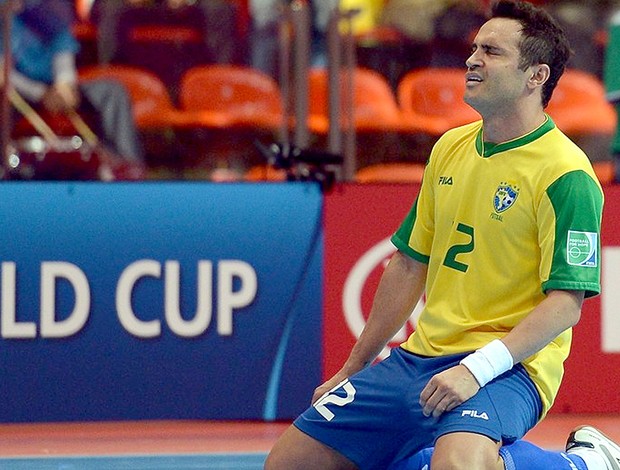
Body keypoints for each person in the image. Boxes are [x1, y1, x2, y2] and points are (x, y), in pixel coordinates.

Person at [265, 2, 619, 470]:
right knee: (288, 465)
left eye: (491, 51)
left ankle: (584, 464)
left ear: (536, 75)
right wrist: (353, 368)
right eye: (474, 48)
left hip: (509, 368)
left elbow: (566, 304)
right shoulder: (450, 147)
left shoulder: (566, 172)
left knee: (457, 466)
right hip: (420, 358)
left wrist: (477, 369)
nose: (472, 60)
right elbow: (410, 264)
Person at [1, 0, 144, 167]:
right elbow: (3, 73)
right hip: (17, 92)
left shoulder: (47, 10)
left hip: (56, 89)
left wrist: (65, 86)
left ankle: (126, 167)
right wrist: (40, 94)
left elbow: (63, 51)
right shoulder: (4, 15)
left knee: (112, 92)